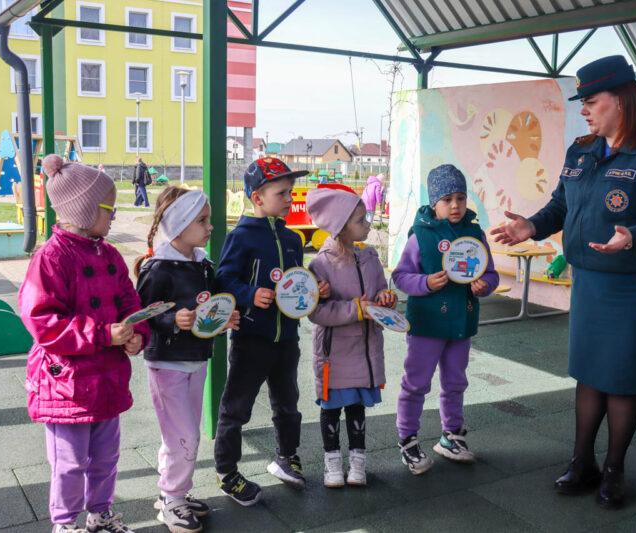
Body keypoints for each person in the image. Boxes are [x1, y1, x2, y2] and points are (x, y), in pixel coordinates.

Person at [490, 55, 636, 509]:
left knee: (623, 380)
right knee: (589, 375)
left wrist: (633, 236)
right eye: (582, 101)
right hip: (592, 283)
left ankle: (614, 468)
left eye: (591, 100)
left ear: (621, 99)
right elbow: (561, 205)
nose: (584, 108)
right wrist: (531, 227)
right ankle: (582, 461)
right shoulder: (581, 150)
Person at [18, 154, 148, 533]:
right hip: (67, 383)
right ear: (84, 209)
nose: (114, 216)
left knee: (106, 456)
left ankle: (100, 513)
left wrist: (137, 334)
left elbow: (128, 300)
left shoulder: (107, 253)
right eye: (109, 208)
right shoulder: (51, 257)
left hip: (106, 376)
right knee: (69, 461)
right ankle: (64, 523)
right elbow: (42, 321)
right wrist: (102, 334)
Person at [213, 157, 329, 504]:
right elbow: (224, 279)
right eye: (281, 193)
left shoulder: (292, 239)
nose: (288, 199)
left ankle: (286, 457)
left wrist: (314, 289)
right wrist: (249, 294)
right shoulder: (241, 237)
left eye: (290, 192)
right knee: (236, 408)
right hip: (252, 339)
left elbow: (297, 281)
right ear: (258, 197)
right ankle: (227, 470)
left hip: (287, 339)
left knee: (288, 404)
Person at [135, 186, 239, 533]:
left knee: (183, 434)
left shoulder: (202, 262)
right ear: (178, 226)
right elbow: (143, 314)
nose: (210, 227)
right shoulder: (160, 267)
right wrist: (171, 320)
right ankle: (172, 497)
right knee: (185, 436)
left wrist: (225, 318)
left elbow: (210, 309)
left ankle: (174, 492)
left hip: (195, 360)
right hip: (167, 363)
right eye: (202, 220)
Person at [392, 164, 499, 474]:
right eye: (448, 199)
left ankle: (451, 435)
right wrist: (425, 283)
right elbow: (400, 276)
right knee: (416, 383)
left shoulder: (474, 233)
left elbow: (488, 273)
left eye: (461, 198)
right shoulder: (420, 236)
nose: (455, 205)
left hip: (460, 324)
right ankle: (408, 439)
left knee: (455, 382)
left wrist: (484, 286)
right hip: (426, 325)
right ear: (434, 202)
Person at [306, 188, 394, 487]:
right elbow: (317, 312)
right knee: (331, 409)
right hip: (335, 354)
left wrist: (385, 298)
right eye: (361, 219)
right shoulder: (321, 264)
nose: (368, 223)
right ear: (341, 227)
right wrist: (356, 309)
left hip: (364, 350)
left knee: (356, 407)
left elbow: (381, 288)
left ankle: (358, 462)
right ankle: (332, 464)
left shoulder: (369, 256)